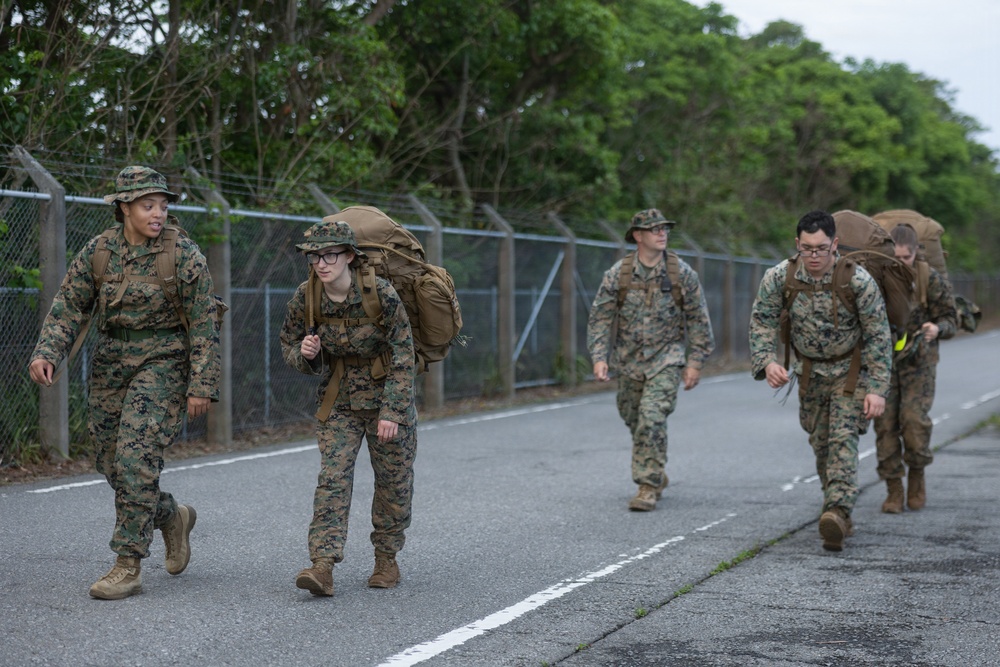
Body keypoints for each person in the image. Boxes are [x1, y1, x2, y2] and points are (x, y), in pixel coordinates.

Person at [28, 166, 221, 599]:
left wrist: (200, 383)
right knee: (112, 463)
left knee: (136, 461)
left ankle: (127, 563)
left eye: (163, 205)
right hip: (112, 362)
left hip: (164, 362)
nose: (158, 213)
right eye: (148, 205)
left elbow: (205, 324)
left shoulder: (183, 254)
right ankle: (171, 515)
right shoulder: (98, 251)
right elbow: (69, 306)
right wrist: (47, 352)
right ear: (124, 208)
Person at [280, 219, 417, 598]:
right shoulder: (307, 296)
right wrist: (304, 355)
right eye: (314, 257)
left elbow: (404, 353)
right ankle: (322, 566)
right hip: (338, 399)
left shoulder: (381, 294)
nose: (321, 263)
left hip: (385, 394)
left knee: (393, 481)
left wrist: (392, 410)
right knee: (333, 478)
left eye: (329, 255)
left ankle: (386, 559)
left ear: (350, 257)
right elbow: (288, 343)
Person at [749, 210, 891, 552]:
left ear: (835, 244)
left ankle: (837, 512)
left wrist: (877, 388)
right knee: (821, 442)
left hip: (849, 373)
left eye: (821, 248)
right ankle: (837, 507)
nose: (814, 255)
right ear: (797, 244)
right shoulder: (780, 277)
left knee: (843, 441)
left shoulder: (856, 280)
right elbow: (762, 321)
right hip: (809, 373)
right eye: (807, 248)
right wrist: (767, 362)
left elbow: (878, 336)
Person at [586, 209, 715, 512]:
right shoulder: (618, 274)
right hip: (628, 361)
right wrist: (599, 358)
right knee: (633, 418)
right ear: (637, 235)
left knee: (652, 417)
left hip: (666, 359)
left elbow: (698, 319)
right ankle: (654, 467)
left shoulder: (681, 274)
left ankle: (647, 486)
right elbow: (600, 319)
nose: (661, 233)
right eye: (653, 229)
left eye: (664, 228)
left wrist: (695, 362)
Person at [873, 224, 957, 513]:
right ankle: (893, 488)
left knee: (912, 421)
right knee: (884, 425)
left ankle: (917, 476)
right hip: (884, 362)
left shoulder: (928, 278)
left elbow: (950, 317)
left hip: (919, 362)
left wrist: (938, 327)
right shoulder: (877, 278)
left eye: (906, 258)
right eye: (895, 257)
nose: (900, 263)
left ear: (916, 254)